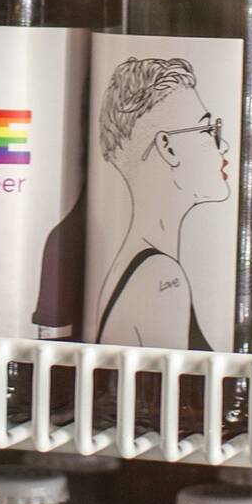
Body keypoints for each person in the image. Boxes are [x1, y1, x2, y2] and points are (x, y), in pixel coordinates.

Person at [90, 56, 232, 349]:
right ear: (168, 147)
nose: (224, 145)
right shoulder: (163, 277)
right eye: (207, 131)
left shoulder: (128, 264)